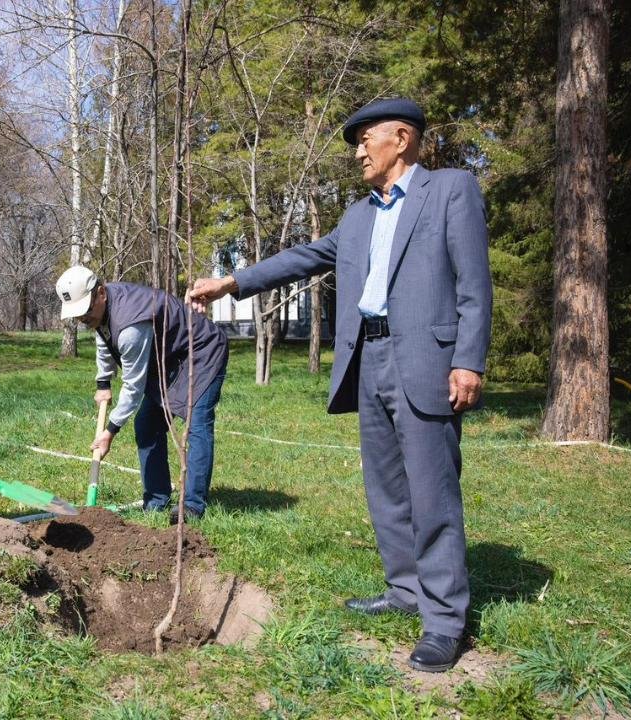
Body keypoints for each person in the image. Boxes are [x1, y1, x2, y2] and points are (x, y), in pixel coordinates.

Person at [187, 98, 492, 672]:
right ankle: (405, 591)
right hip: (368, 360)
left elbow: (474, 282)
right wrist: (231, 282)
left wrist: (468, 361)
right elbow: (305, 258)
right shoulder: (358, 216)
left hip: (427, 361)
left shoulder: (451, 190)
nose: (357, 152)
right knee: (386, 488)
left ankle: (445, 619)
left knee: (432, 491)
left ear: (401, 139)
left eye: (365, 139)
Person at [56, 267, 229, 524]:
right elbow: (104, 338)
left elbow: (133, 386)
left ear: (100, 293)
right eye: (77, 314)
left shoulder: (130, 326)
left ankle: (192, 506)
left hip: (200, 353)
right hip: (167, 360)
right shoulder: (102, 310)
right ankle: (157, 501)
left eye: (85, 311)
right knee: (147, 424)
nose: (82, 318)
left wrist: (110, 431)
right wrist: (103, 382)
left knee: (197, 424)